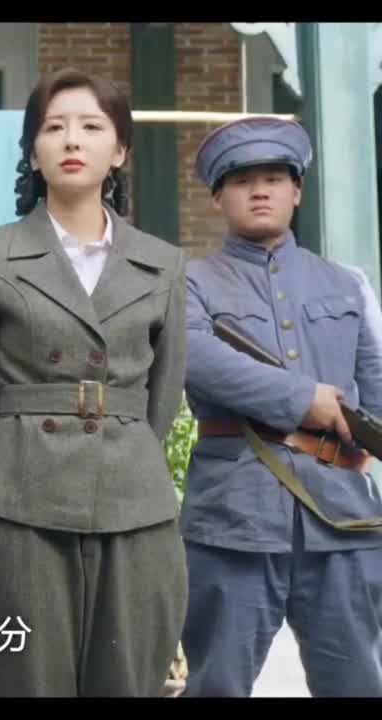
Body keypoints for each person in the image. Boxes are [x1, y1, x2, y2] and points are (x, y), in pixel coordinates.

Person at [0, 67, 188, 696]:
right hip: (20, 502)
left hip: (134, 504)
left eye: (91, 126)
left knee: (128, 680)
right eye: (54, 127)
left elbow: (161, 398)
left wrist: (120, 443)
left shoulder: (162, 263)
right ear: (33, 151)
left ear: (120, 150)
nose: (72, 140)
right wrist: (22, 443)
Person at [178, 116, 382, 696]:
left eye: (273, 178)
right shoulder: (188, 283)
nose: (260, 191)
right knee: (217, 683)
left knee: (357, 684)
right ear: (218, 198)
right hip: (234, 517)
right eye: (243, 181)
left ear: (297, 191)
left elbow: (377, 389)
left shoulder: (348, 284)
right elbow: (196, 359)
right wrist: (302, 399)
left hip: (343, 518)